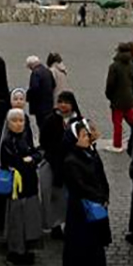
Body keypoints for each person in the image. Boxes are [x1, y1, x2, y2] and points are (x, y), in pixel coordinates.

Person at [61, 118, 111, 266]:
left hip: (90, 204)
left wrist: (104, 194)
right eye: (83, 135)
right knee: (83, 243)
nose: (87, 138)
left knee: (90, 242)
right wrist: (99, 197)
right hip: (82, 208)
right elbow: (80, 186)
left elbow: (100, 177)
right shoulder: (71, 160)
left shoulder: (88, 153)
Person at [0, 107, 43, 265]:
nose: (18, 124)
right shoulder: (7, 142)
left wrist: (32, 158)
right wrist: (31, 160)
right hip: (17, 188)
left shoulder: (25, 137)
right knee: (17, 220)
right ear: (8, 123)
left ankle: (27, 247)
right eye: (15, 121)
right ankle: (16, 251)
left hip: (29, 185)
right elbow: (16, 162)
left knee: (30, 218)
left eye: (21, 121)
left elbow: (36, 154)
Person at [40, 91, 81, 238]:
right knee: (55, 196)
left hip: (73, 164)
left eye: (66, 102)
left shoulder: (78, 121)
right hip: (55, 163)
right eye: (60, 102)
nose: (63, 105)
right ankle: (56, 225)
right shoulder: (51, 120)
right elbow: (44, 140)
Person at [104, 43, 133, 152]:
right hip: (129, 98)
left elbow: (110, 84)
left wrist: (109, 95)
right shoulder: (131, 64)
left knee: (117, 123)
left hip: (117, 99)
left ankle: (117, 145)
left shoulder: (114, 66)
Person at [26, 56, 56, 128]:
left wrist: (27, 96)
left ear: (31, 65)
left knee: (41, 125)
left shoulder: (35, 73)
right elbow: (54, 84)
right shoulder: (47, 71)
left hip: (39, 106)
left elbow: (34, 88)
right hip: (49, 104)